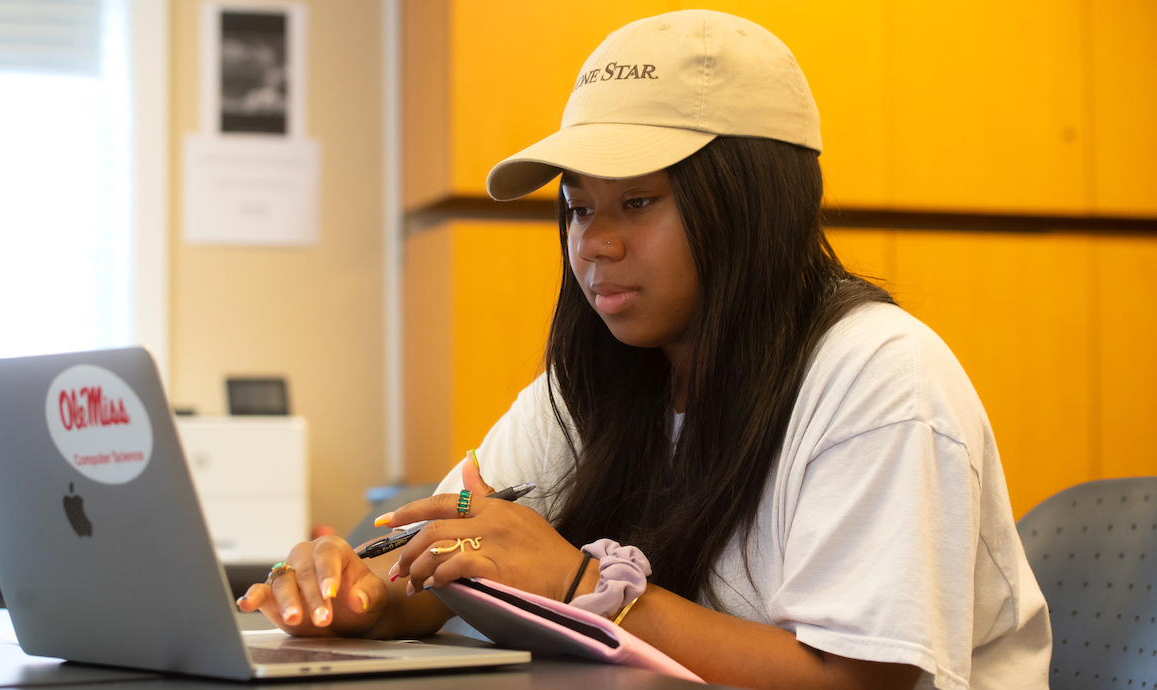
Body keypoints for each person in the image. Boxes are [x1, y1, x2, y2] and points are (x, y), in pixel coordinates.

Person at [238, 10, 1052, 689]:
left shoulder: (879, 378)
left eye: (636, 201)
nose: (596, 245)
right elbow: (454, 549)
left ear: (751, 204)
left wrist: (578, 586)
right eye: (580, 208)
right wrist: (366, 596)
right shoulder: (598, 382)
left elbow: (856, 680)